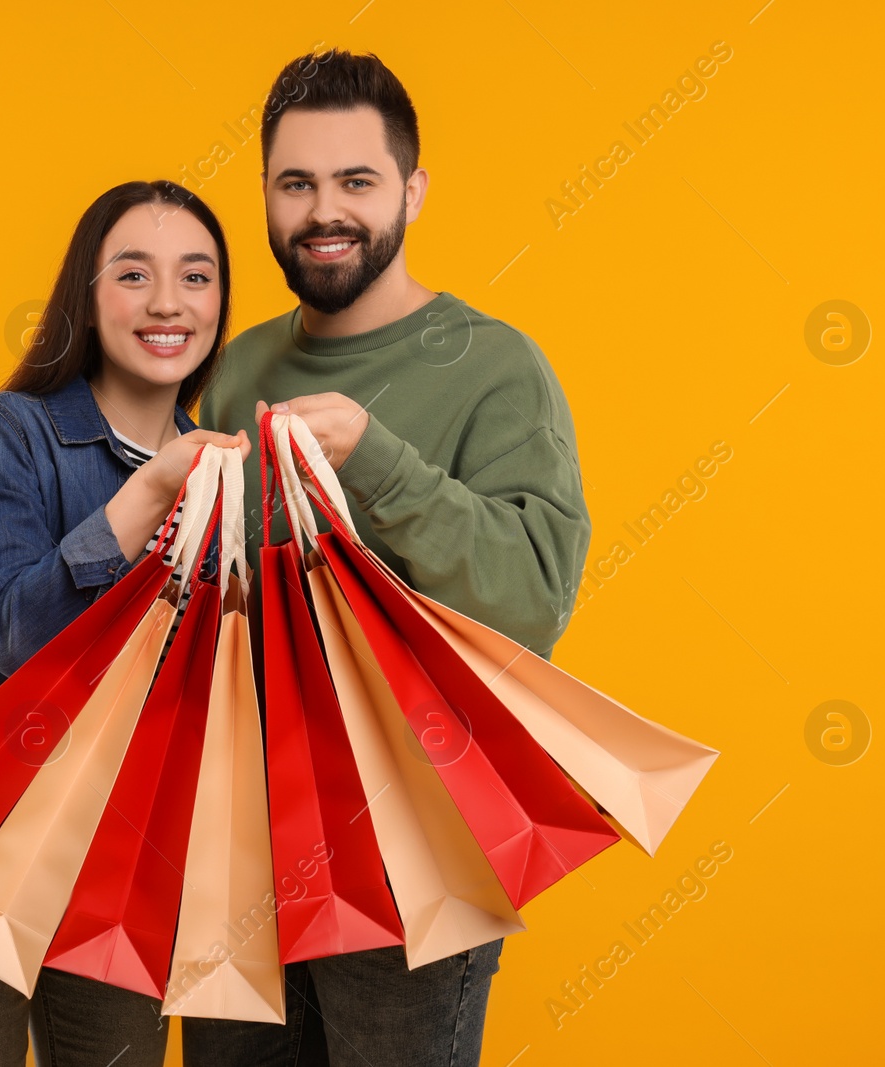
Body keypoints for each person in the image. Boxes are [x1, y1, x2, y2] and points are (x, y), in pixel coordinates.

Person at [186, 49, 594, 1066]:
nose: (324, 210)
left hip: (415, 855)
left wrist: (379, 461)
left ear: (411, 189)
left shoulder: (497, 366)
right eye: (296, 183)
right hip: (240, 858)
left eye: (355, 181)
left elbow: (533, 596)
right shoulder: (237, 368)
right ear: (269, 198)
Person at [0, 179, 251, 1067]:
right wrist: (152, 488)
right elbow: (14, 635)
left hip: (121, 877)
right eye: (133, 274)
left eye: (196, 277)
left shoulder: (231, 478)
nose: (168, 302)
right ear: (86, 296)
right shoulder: (7, 433)